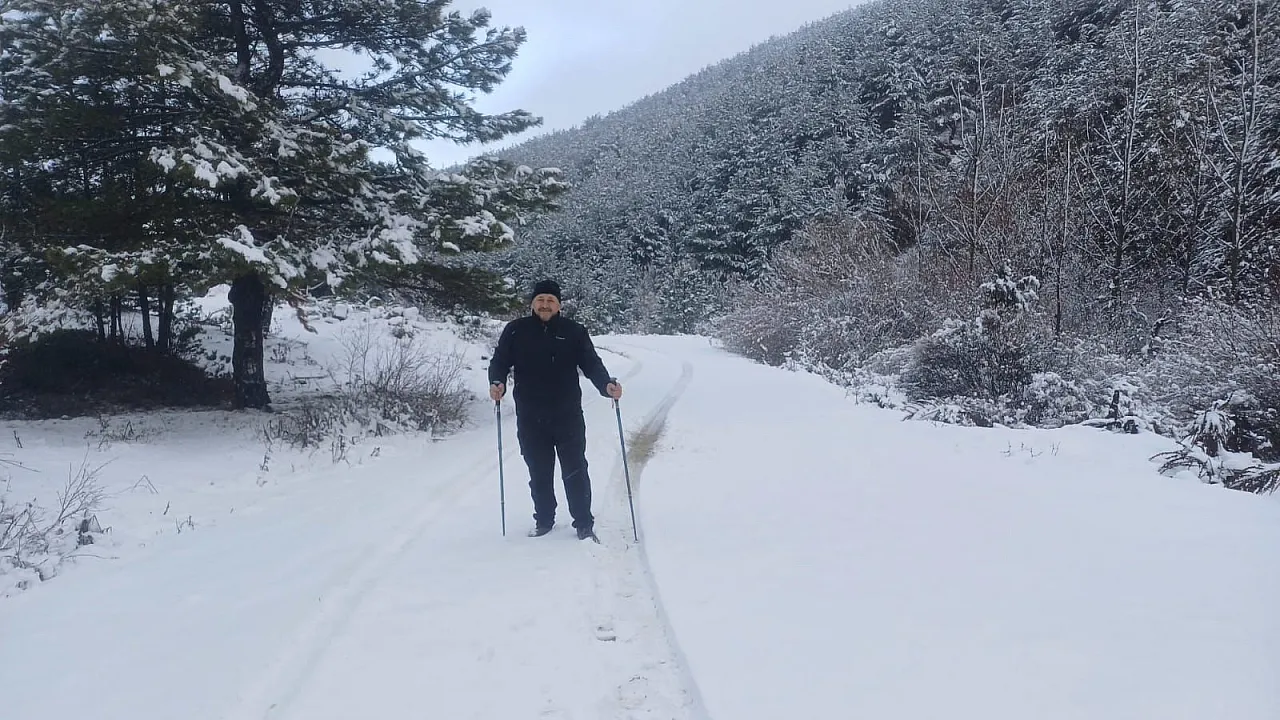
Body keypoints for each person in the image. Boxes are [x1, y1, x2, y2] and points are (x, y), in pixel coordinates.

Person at [488, 279, 622, 540]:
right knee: (538, 470)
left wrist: (606, 385)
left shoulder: (574, 331)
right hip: (530, 415)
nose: (545, 305)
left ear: (559, 305)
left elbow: (591, 363)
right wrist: (497, 382)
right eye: (540, 300)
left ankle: (583, 523)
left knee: (575, 469)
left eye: (550, 300)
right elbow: (500, 361)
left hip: (567, 414)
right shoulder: (516, 331)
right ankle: (544, 520)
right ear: (532, 303)